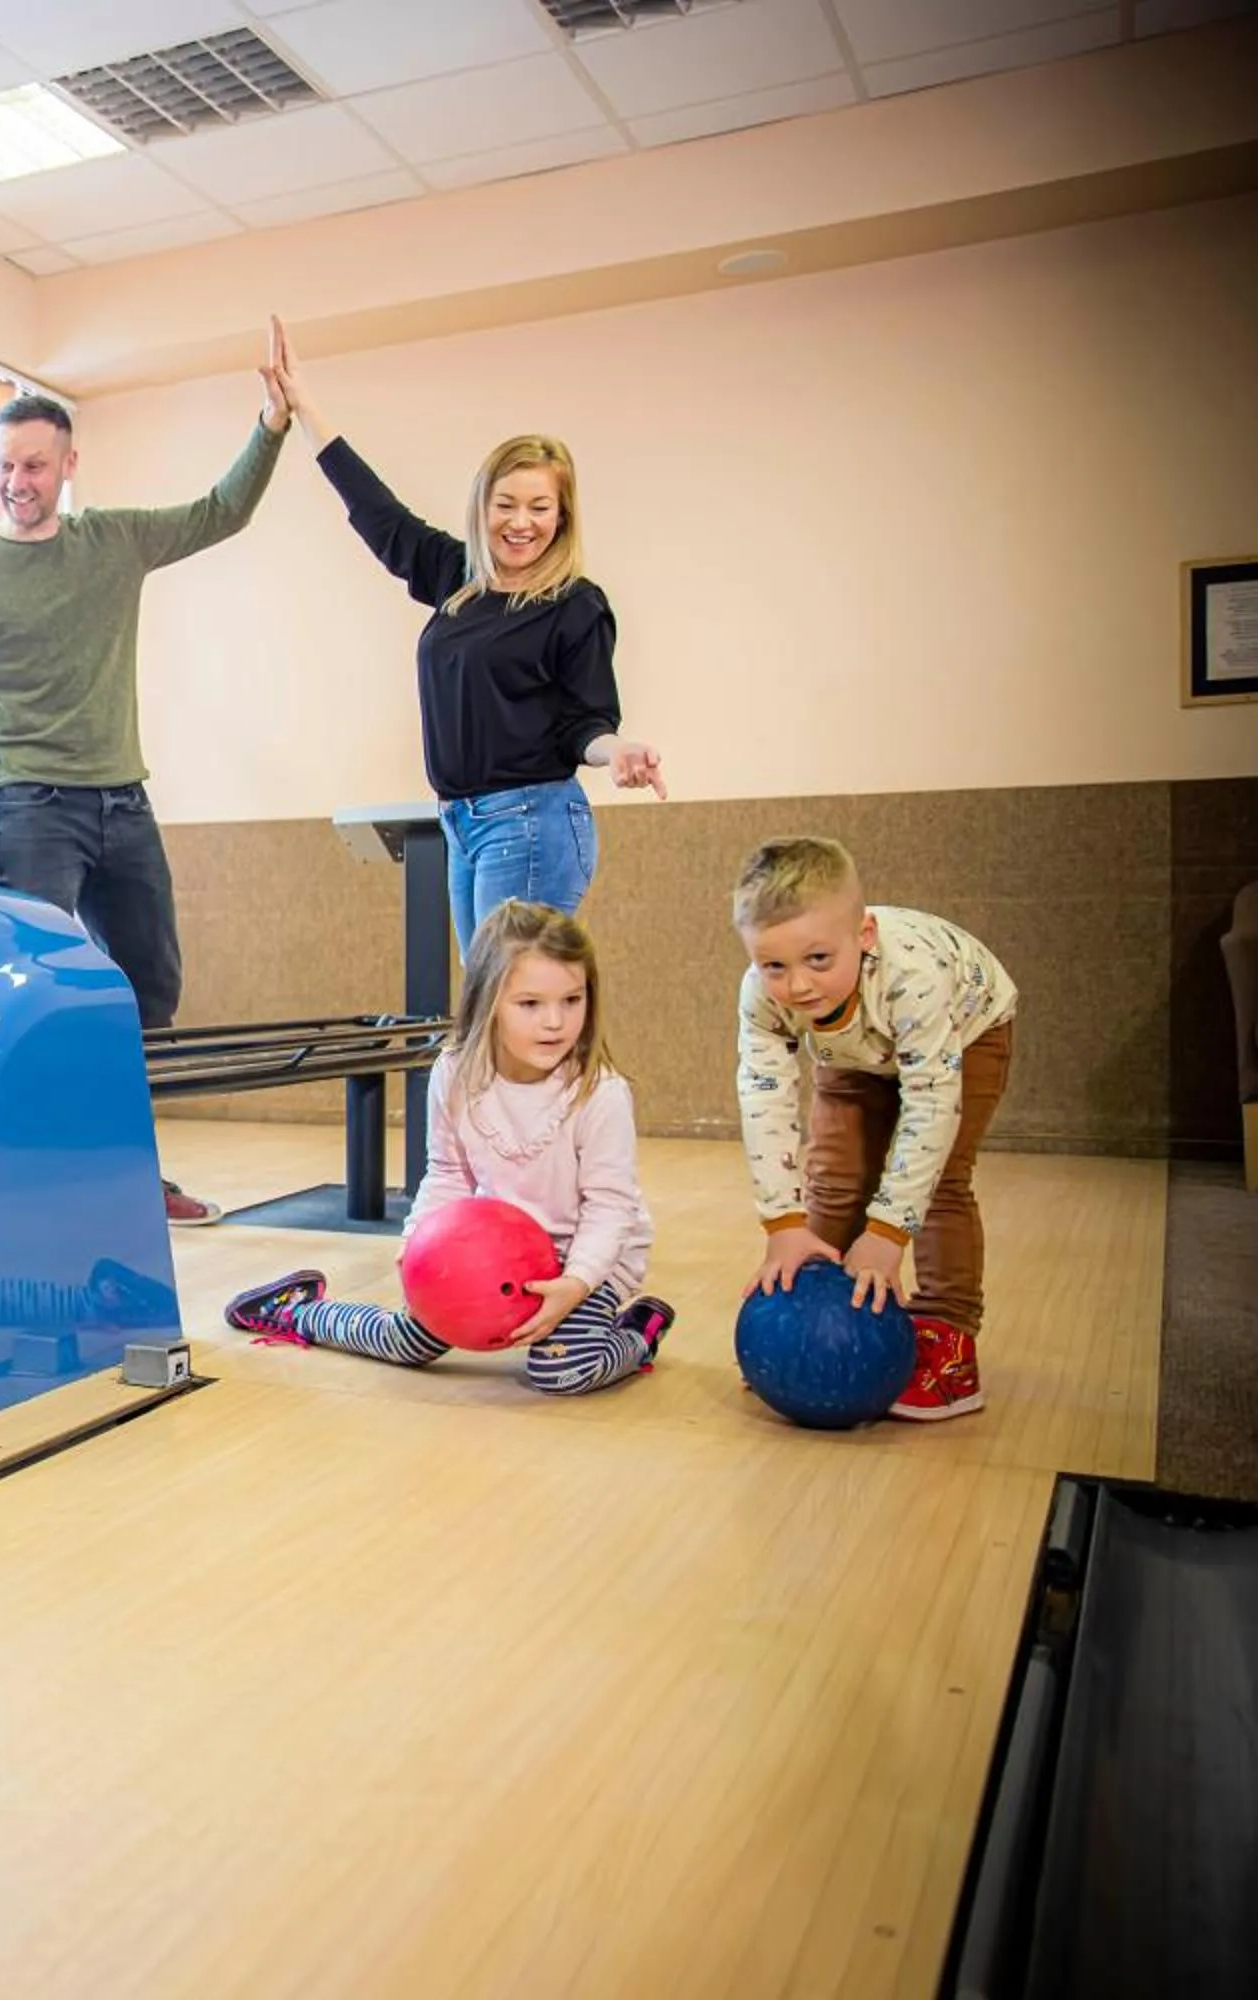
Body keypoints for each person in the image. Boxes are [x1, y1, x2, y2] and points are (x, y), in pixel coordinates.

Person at [0, 361, 290, 1226]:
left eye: (34, 465)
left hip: (123, 804)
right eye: (5, 466)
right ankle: (17, 1180)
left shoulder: (111, 542)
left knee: (148, 993)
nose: (16, 482)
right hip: (31, 811)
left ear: (69, 464)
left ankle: (123, 1175)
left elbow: (220, 511)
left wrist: (270, 425)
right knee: (28, 997)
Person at [261, 317, 664, 948]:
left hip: (532, 820)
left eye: (540, 507)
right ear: (483, 505)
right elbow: (379, 515)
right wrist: (306, 408)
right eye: (506, 503)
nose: (521, 522)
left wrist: (619, 753)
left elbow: (585, 723)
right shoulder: (460, 579)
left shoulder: (573, 605)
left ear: (562, 518)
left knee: (508, 1005)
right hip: (460, 820)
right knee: (491, 1006)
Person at [224, 902, 675, 1395]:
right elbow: (447, 1174)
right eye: (530, 1004)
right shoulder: (455, 1072)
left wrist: (577, 1283)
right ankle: (300, 1309)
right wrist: (418, 1241)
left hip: (585, 1262)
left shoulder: (600, 1092)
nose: (555, 1022)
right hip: (492, 1257)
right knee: (406, 1342)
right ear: (487, 1002)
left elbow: (612, 1207)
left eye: (572, 1000)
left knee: (559, 1370)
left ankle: (639, 1332)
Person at [733, 836, 1017, 1420]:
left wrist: (887, 1235)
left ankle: (947, 1338)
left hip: (966, 1030)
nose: (799, 986)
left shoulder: (911, 978)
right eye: (774, 966)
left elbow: (930, 1109)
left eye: (818, 960)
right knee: (835, 1178)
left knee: (941, 1186)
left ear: (862, 936)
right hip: (851, 1051)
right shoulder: (762, 998)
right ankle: (815, 1311)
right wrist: (783, 1225)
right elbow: (764, 1104)